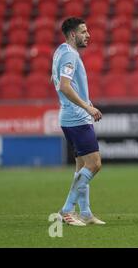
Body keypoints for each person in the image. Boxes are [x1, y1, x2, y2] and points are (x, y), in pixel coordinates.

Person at [51, 17, 105, 226]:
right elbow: (64, 85)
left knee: (81, 166)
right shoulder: (70, 56)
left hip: (72, 116)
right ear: (73, 34)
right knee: (95, 164)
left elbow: (55, 80)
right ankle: (66, 210)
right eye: (83, 31)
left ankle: (86, 213)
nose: (88, 34)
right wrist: (88, 107)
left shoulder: (60, 51)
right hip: (77, 118)